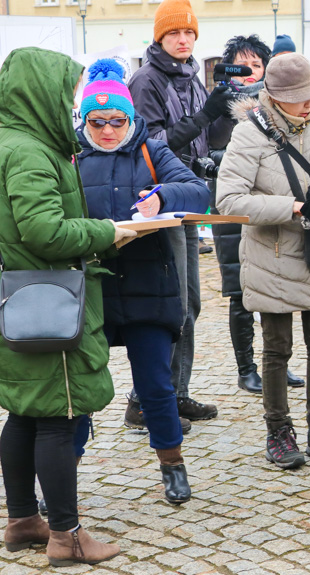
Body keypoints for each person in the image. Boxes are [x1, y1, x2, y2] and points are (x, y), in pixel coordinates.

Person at [0, 47, 131, 566]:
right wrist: (108, 232)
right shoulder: (30, 151)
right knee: (58, 415)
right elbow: (44, 231)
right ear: (39, 90)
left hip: (20, 298)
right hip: (49, 299)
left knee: (24, 413)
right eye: (69, 89)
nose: (72, 99)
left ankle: (21, 519)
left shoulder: (13, 142)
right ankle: (66, 536)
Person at [75, 58, 209, 504]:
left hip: (149, 286)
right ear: (85, 120)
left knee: (156, 384)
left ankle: (172, 463)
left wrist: (162, 195)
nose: (109, 130)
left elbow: (198, 191)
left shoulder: (152, 150)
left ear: (131, 118)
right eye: (99, 122)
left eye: (118, 120)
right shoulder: (69, 155)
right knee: (79, 387)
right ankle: (64, 471)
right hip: (90, 291)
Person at [217, 53, 310, 470]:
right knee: (277, 349)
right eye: (296, 98)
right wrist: (294, 207)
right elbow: (228, 200)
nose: (307, 104)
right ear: (272, 96)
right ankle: (279, 430)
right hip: (272, 255)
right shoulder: (249, 135)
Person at [127, 0, 224, 429]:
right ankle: (146, 402)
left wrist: (232, 113)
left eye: (189, 34)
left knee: (190, 304)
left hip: (188, 198)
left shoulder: (191, 76)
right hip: (158, 202)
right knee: (172, 305)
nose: (183, 40)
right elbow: (150, 144)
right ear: (159, 38)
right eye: (174, 34)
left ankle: (174, 394)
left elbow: (204, 137)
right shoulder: (145, 80)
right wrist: (206, 114)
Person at [207, 35, 306, 394]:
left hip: (272, 205)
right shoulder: (217, 104)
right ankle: (246, 368)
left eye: (256, 65)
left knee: (277, 286)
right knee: (239, 290)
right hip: (233, 208)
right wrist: (215, 110)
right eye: (240, 65)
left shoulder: (275, 107)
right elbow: (206, 150)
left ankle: (278, 363)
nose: (249, 73)